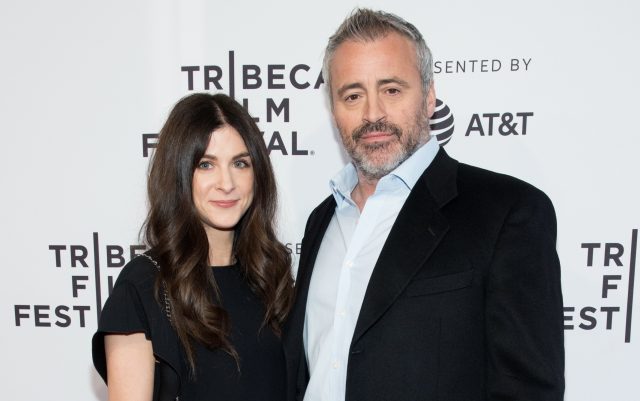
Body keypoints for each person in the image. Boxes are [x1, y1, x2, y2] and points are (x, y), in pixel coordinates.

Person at [283, 8, 564, 401]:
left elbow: (527, 390)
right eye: (353, 95)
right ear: (334, 111)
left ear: (429, 97)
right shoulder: (323, 219)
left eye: (392, 90)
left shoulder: (507, 213)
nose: (373, 113)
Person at [92, 93, 294, 401]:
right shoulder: (142, 287)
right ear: (179, 173)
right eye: (206, 164)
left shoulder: (270, 275)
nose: (227, 183)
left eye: (240, 163)